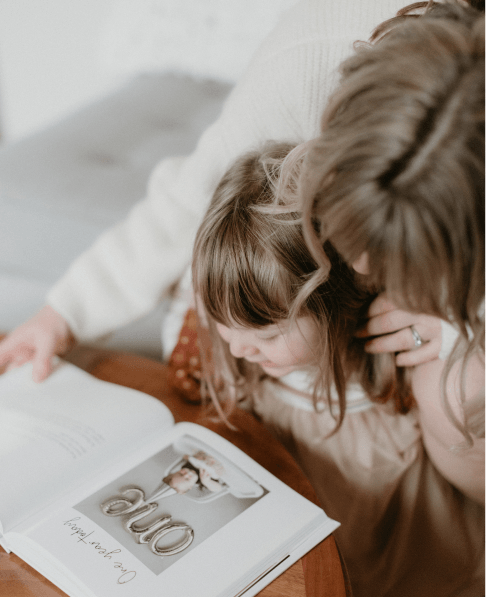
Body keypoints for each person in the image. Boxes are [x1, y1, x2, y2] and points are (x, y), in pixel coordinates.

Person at [0, 0, 447, 382]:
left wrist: (461, 317)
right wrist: (63, 314)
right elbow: (183, 204)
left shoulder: (459, 125)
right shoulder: (298, 78)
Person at [191, 141, 484, 597]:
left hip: (418, 574)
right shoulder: (246, 361)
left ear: (339, 304)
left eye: (267, 334)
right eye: (222, 322)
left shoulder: (405, 374)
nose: (240, 346)